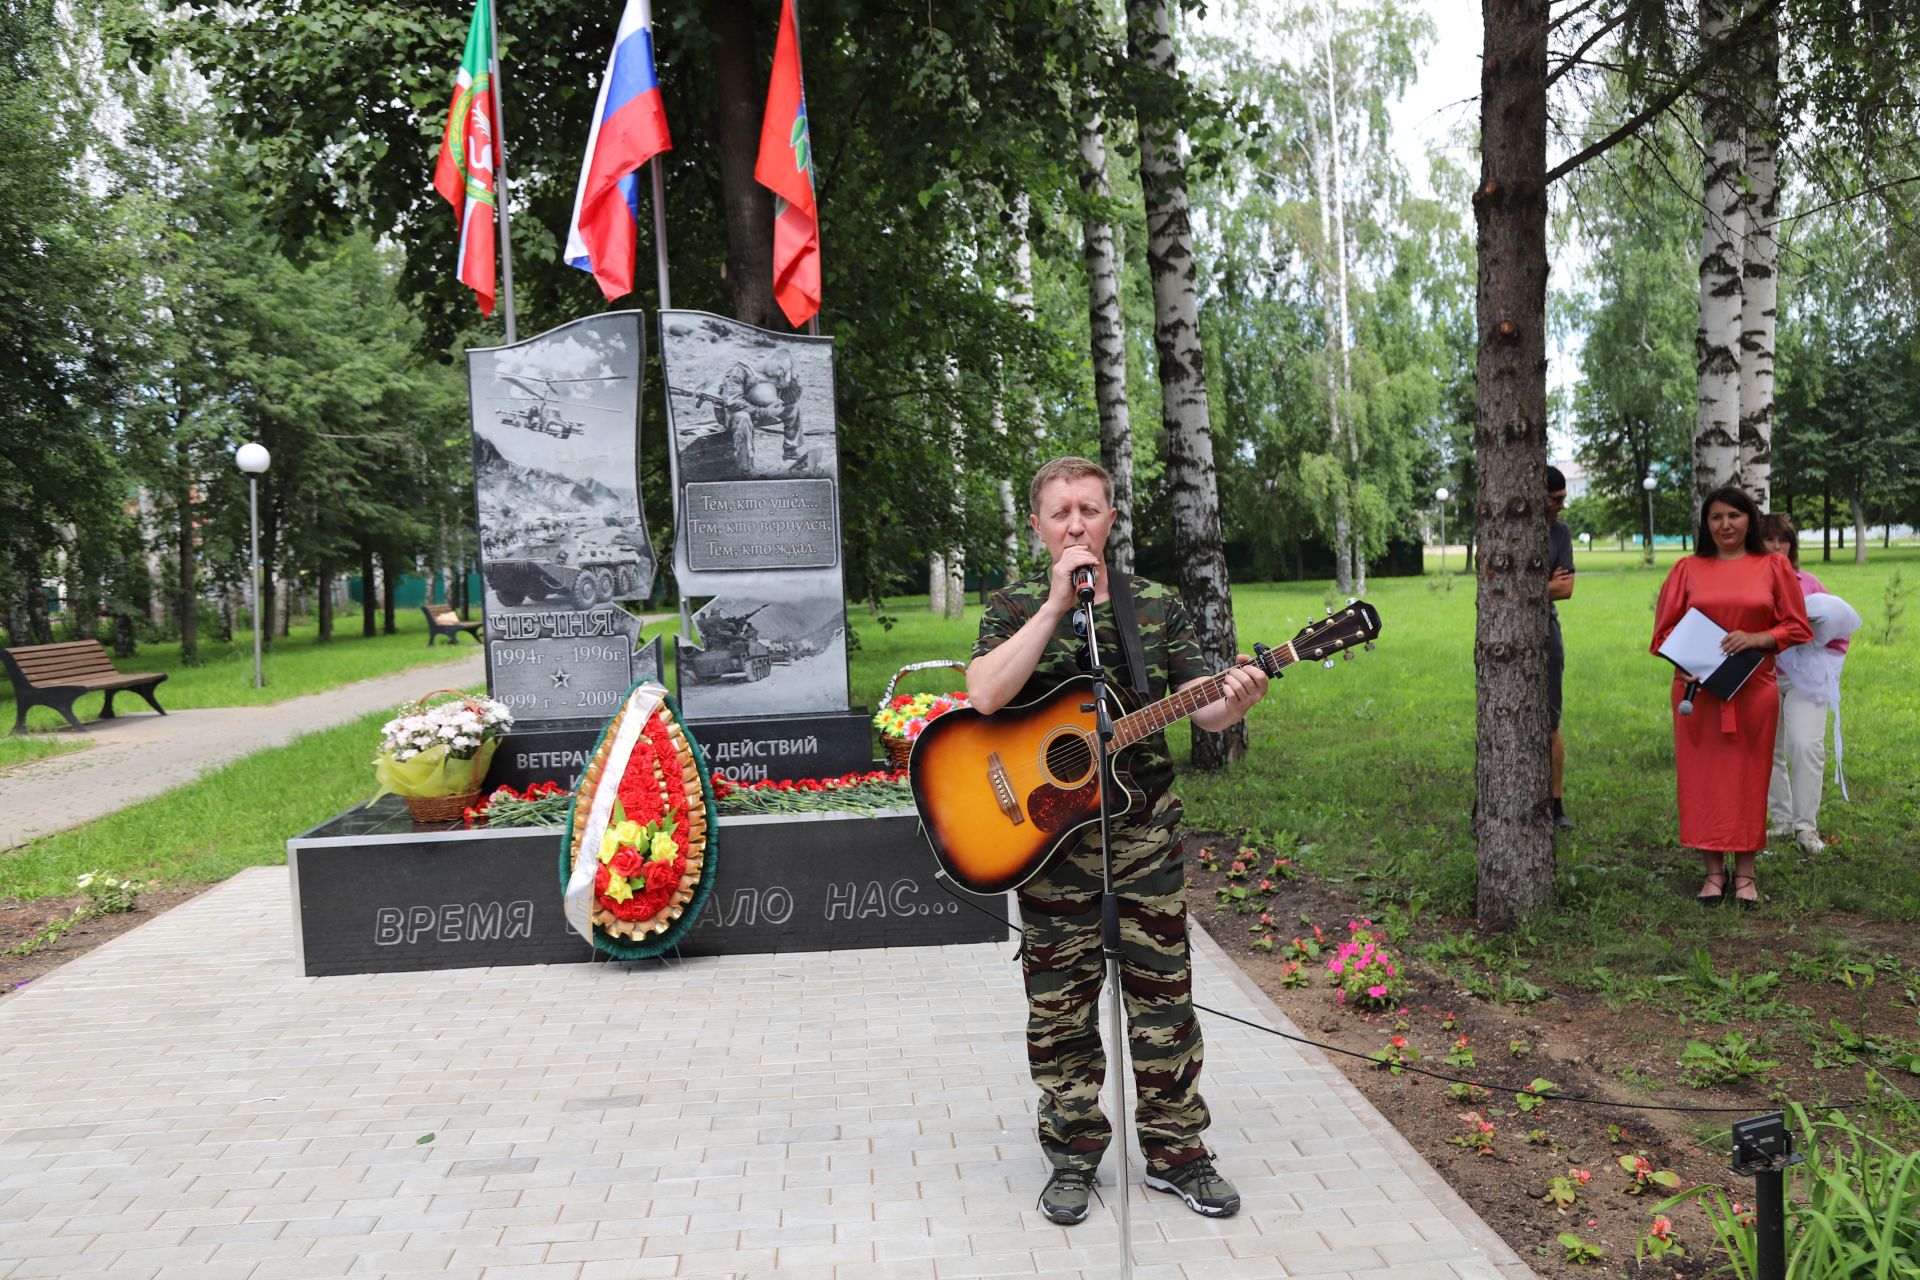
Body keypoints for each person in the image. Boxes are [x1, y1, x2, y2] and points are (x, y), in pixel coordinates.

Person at [968, 456, 1268, 1226]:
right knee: (1061, 1010)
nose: (1077, 523)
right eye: (1061, 511)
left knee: (1164, 1002)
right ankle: (1072, 1157)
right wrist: (1052, 608)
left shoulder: (1156, 606)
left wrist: (1238, 700)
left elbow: (1204, 711)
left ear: (1111, 521)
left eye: (1091, 510)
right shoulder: (1010, 605)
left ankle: (1177, 1155)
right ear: (1039, 527)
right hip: (1045, 845)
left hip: (1143, 841)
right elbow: (984, 693)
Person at [1650, 488, 1811, 906]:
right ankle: (1712, 874)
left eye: (1734, 516)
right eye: (1716, 517)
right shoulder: (1687, 569)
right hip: (1697, 692)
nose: (1725, 525)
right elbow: (1663, 633)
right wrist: (1682, 661)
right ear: (1706, 524)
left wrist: (1758, 637)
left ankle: (1745, 877)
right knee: (1703, 779)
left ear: (1750, 520)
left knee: (1748, 779)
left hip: (1753, 689)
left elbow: (1796, 627)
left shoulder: (1773, 566)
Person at [1760, 513, 1851, 855]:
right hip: (1762, 676)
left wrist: (1817, 644)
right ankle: (1782, 820)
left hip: (1804, 679)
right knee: (1769, 750)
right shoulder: (1750, 584)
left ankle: (1805, 827)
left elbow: (1840, 631)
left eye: (1783, 539)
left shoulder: (1809, 583)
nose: (1777, 546)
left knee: (1805, 744)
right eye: (1769, 539)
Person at [1545, 467, 1576, 828]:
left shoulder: (1560, 533)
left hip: (1548, 635)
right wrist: (1545, 584)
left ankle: (1556, 806)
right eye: (1555, 500)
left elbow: (1565, 590)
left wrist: (1524, 587)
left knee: (1551, 723)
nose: (1560, 507)